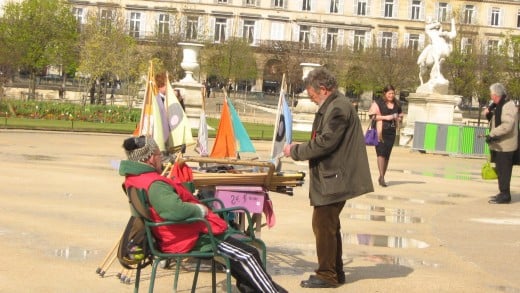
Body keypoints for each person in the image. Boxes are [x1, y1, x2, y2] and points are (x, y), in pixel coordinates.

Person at [119, 135, 287, 293]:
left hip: (178, 233)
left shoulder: (135, 178)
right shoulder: (154, 183)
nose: (161, 158)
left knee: (241, 257)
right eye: (158, 154)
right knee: (248, 256)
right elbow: (173, 210)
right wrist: (200, 210)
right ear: (149, 158)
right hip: (187, 237)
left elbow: (168, 207)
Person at [283, 68, 373, 288]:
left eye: (312, 95)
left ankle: (327, 274)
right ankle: (335, 271)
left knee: (323, 225)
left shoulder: (338, 107)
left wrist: (295, 150)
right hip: (333, 175)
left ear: (323, 89)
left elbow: (326, 142)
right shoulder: (336, 105)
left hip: (335, 177)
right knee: (329, 226)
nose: (312, 100)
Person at [484, 83, 518, 204]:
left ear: (495, 95)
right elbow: (497, 121)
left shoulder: (507, 105)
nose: (490, 96)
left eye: (491, 94)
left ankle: (505, 195)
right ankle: (502, 192)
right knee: (501, 169)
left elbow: (507, 125)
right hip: (500, 145)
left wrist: (492, 134)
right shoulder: (500, 105)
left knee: (504, 170)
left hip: (506, 145)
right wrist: (489, 114)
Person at [368, 85, 403, 187]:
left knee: (387, 155)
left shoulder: (397, 104)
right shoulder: (378, 103)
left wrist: (398, 118)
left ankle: (382, 176)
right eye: (389, 93)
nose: (391, 95)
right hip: (380, 131)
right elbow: (372, 116)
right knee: (381, 153)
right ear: (385, 93)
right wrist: (386, 117)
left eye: (393, 93)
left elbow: (400, 114)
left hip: (391, 132)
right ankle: (382, 177)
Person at [417, 18, 456, 85]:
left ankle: (438, 74)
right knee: (428, 51)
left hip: (443, 48)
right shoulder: (431, 31)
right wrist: (438, 24)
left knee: (448, 50)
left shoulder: (443, 33)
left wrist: (453, 23)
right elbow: (427, 27)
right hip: (434, 47)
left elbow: (453, 35)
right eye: (434, 22)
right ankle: (423, 61)